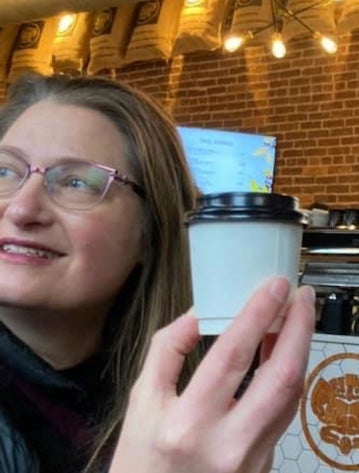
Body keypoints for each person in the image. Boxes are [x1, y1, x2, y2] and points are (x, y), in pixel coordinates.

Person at [0, 72, 316, 473]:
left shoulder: (180, 403)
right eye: (5, 172)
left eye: (77, 182)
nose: (22, 209)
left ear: (150, 234)